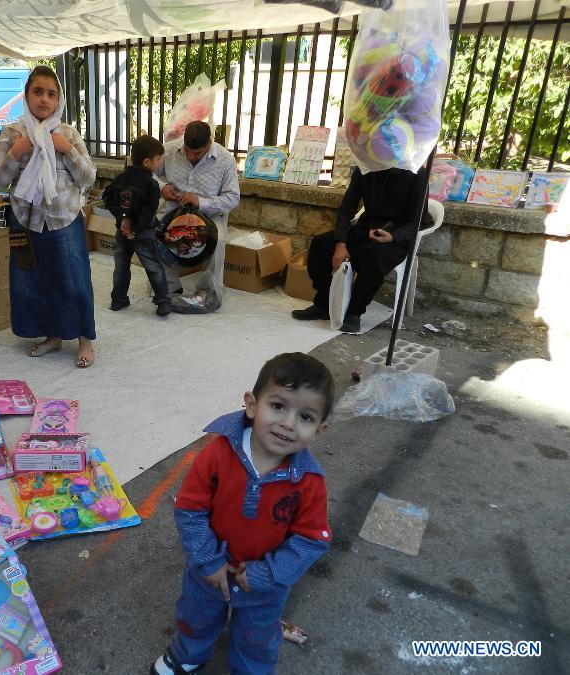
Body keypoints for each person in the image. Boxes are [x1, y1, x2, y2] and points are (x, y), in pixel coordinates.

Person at [152, 352, 333, 675]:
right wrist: (208, 560)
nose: (288, 423)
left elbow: (311, 539)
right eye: (278, 406)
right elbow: (190, 507)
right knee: (196, 617)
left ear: (319, 429)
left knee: (258, 636)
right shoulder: (218, 454)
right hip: (207, 571)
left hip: (265, 583)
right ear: (252, 405)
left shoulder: (308, 482)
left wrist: (270, 574)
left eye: (305, 417)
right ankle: (188, 655)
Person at [0, 66, 97, 369]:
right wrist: (16, 153)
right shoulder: (12, 133)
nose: (44, 99)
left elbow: (89, 176)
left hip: (64, 219)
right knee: (36, 281)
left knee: (74, 281)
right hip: (26, 221)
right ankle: (52, 336)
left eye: (51, 94)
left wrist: (67, 150)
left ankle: (84, 340)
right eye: (38, 92)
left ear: (59, 99)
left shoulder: (68, 133)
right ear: (26, 96)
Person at [292, 166, 430, 333]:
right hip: (364, 229)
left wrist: (393, 236)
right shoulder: (365, 168)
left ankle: (354, 311)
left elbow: (419, 221)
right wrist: (341, 243)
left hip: (396, 237)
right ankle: (324, 303)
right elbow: (346, 210)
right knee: (320, 244)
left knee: (374, 256)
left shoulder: (417, 173)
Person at [155, 120, 240, 293]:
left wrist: (201, 202)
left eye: (197, 153)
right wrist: (161, 186)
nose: (191, 156)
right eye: (187, 151)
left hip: (210, 216)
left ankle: (210, 291)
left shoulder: (225, 159)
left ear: (209, 143)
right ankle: (170, 288)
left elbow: (232, 198)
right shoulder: (169, 150)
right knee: (154, 236)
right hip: (174, 212)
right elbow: (146, 173)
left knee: (218, 240)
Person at [102, 135, 171, 316]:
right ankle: (163, 301)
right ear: (147, 162)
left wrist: (122, 218)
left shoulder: (120, 178)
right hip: (143, 232)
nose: (159, 163)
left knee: (121, 266)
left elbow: (107, 198)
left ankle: (118, 299)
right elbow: (148, 212)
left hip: (123, 231)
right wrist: (135, 228)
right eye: (158, 160)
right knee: (153, 265)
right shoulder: (151, 185)